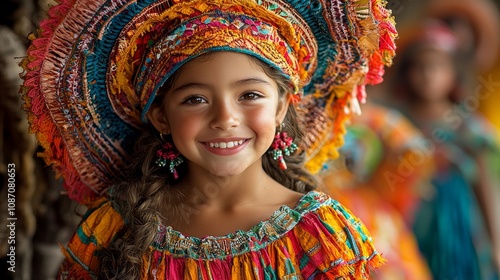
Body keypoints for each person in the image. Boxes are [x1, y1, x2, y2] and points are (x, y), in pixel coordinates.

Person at [19, 0, 397, 279]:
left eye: (249, 95)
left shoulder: (321, 235)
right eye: (195, 99)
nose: (225, 119)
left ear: (282, 107)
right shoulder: (115, 226)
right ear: (161, 117)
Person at [391, 20, 500, 279]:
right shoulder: (394, 122)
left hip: (457, 221)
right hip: (408, 217)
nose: (428, 74)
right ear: (406, 72)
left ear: (453, 74)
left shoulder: (467, 126)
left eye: (437, 66)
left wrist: (495, 242)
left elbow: (482, 183)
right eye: (419, 66)